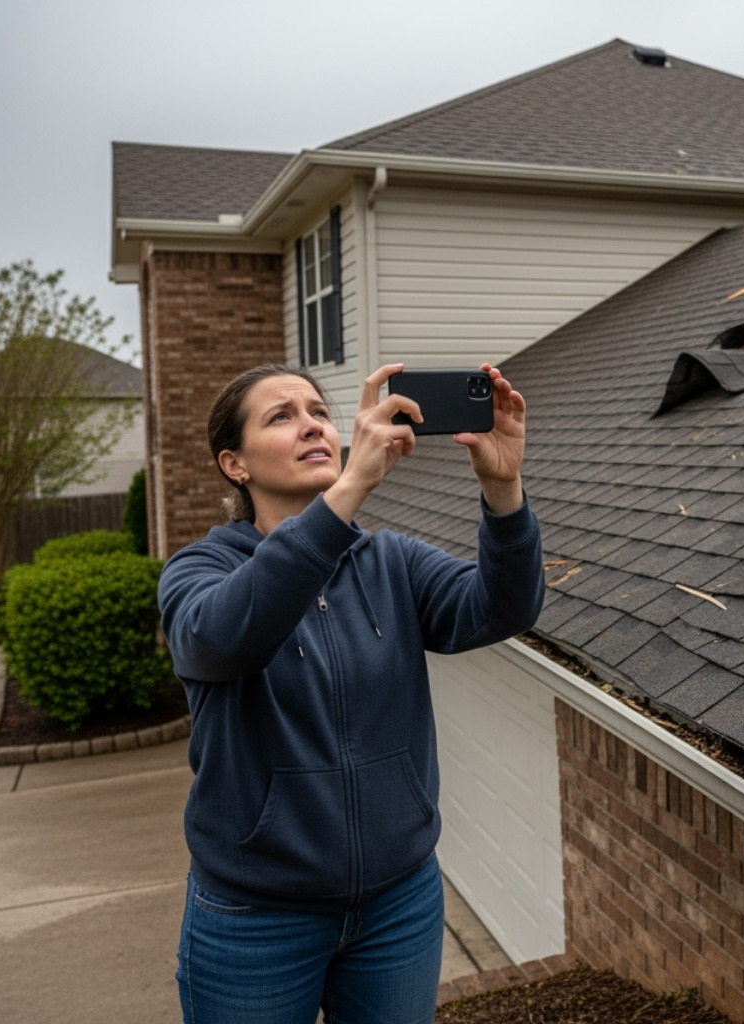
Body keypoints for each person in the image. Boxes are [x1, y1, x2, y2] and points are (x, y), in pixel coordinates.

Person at [158, 362, 543, 1024]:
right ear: (234, 464)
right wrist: (353, 485)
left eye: (315, 410)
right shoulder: (198, 573)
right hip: (256, 918)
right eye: (281, 416)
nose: (310, 423)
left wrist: (502, 489)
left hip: (399, 906)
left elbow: (502, 608)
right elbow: (227, 639)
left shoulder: (391, 561)